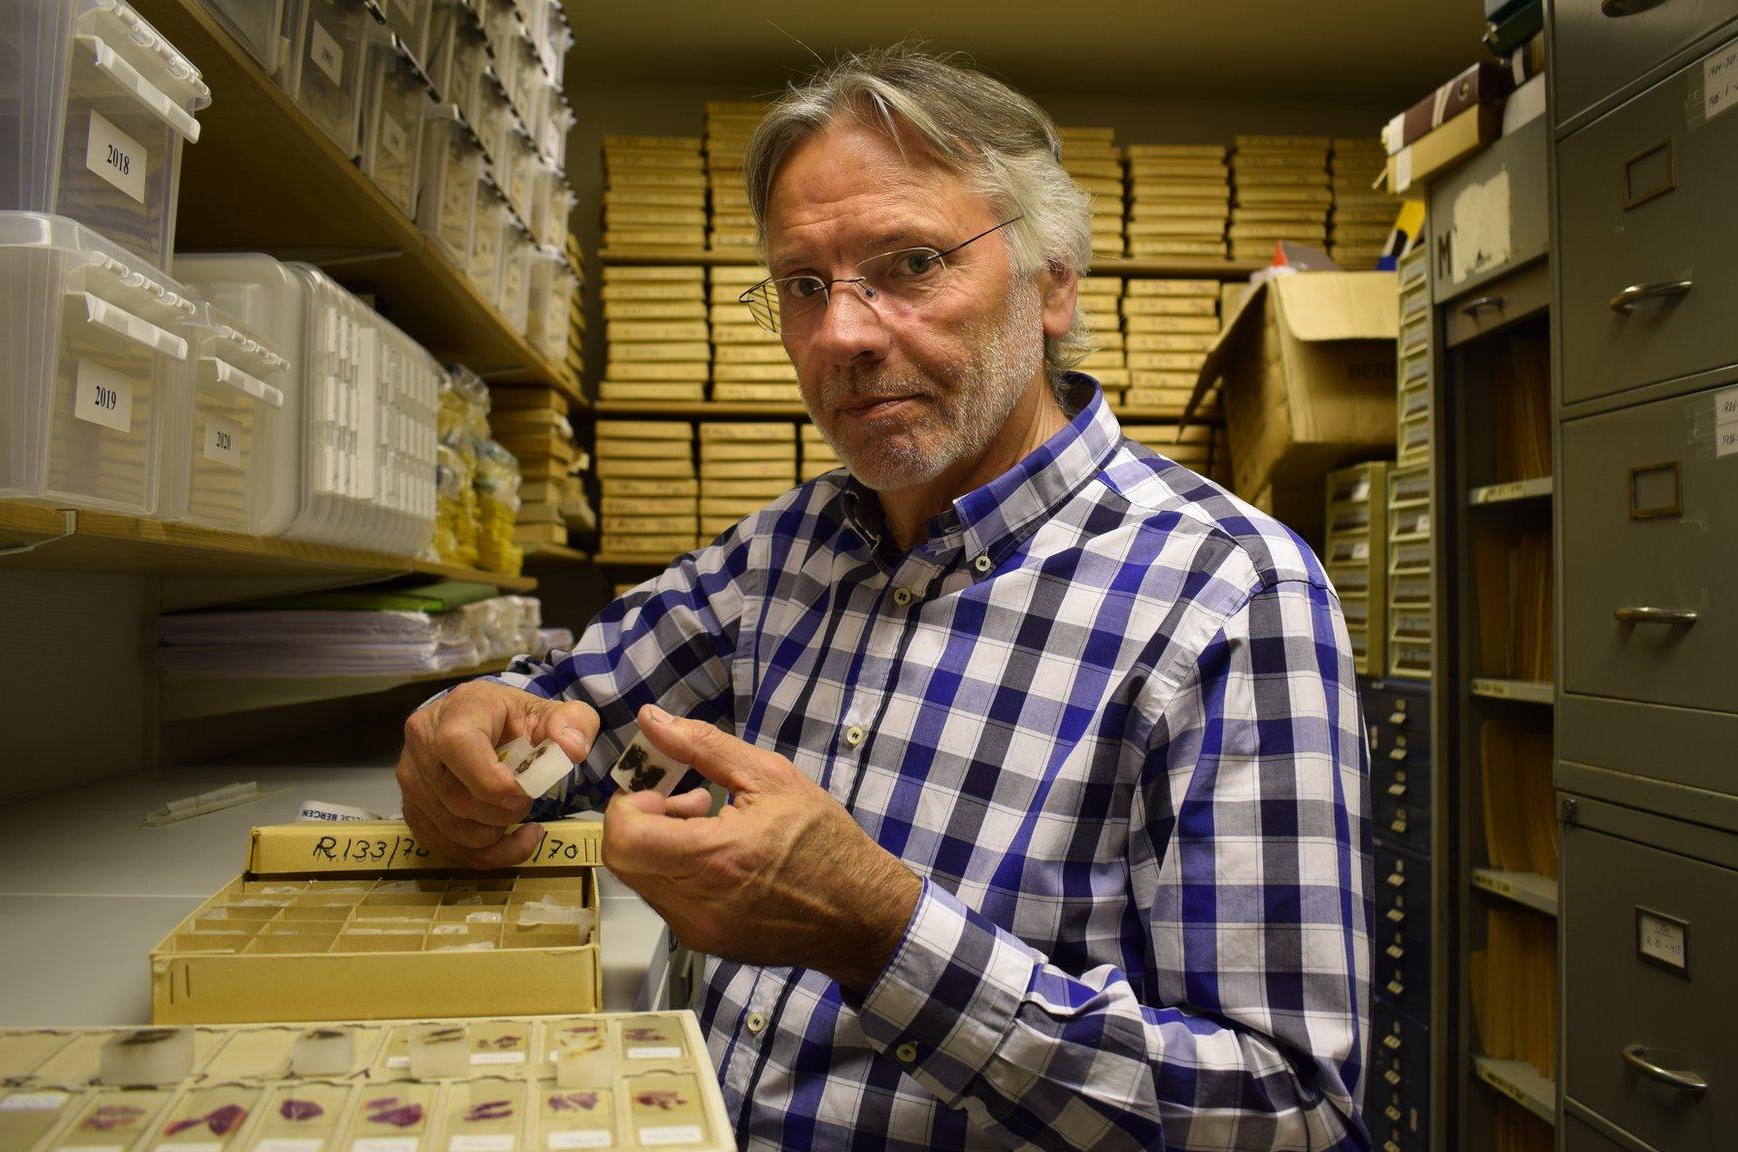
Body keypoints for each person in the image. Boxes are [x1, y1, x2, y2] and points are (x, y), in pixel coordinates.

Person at [397, 43, 1372, 1152]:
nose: (842, 337)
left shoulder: (1230, 597)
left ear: (1052, 286)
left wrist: (880, 933)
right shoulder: (790, 547)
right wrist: (471, 736)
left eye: (910, 264)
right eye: (804, 287)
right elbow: (564, 721)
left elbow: (1288, 1114)